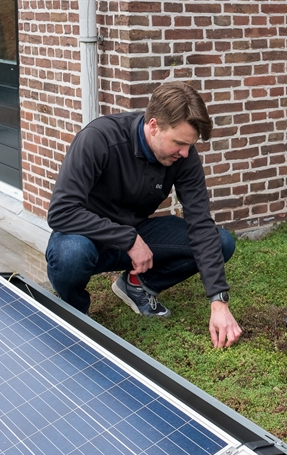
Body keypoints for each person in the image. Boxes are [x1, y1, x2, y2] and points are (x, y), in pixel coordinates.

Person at [45, 82, 242, 348]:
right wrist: (127, 239)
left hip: (138, 237)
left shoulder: (184, 156)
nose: (185, 153)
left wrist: (219, 301)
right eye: (180, 143)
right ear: (153, 126)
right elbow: (61, 212)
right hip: (87, 237)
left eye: (189, 145)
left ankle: (138, 285)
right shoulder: (99, 139)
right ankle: (76, 313)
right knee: (70, 254)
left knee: (221, 242)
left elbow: (200, 223)